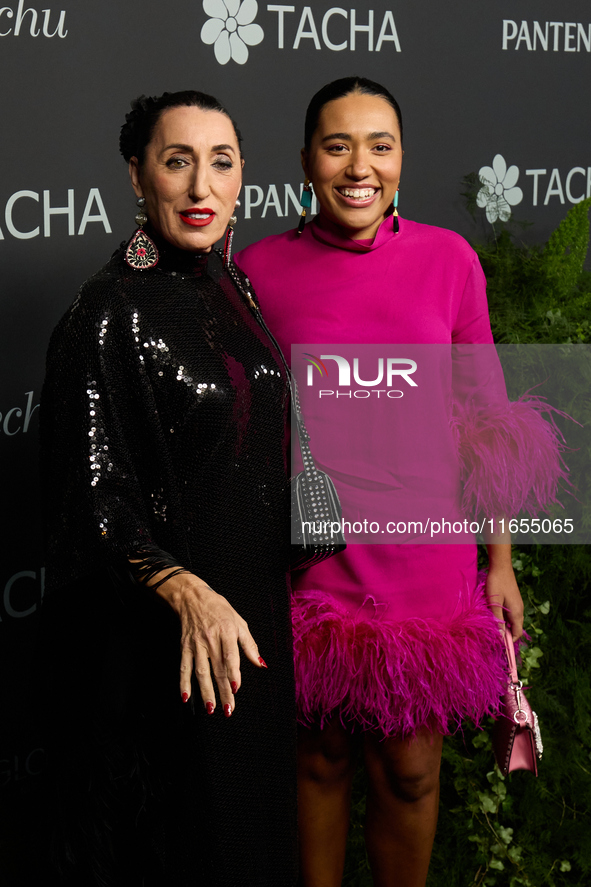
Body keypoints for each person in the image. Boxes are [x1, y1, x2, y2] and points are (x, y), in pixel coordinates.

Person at [235, 77, 566, 887]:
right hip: (312, 562)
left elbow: (488, 425)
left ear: (400, 160)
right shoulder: (256, 271)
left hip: (427, 561)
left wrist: (499, 561)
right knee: (317, 760)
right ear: (306, 159)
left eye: (379, 145)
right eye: (338, 144)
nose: (359, 165)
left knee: (411, 769)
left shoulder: (448, 260)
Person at [39, 90, 297, 887]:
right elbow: (88, 499)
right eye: (176, 161)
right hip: (166, 653)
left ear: (242, 177)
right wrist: (185, 590)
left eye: (219, 163)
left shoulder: (234, 285)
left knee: (253, 843)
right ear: (136, 178)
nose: (200, 187)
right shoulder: (105, 311)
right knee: (186, 848)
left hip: (252, 635)